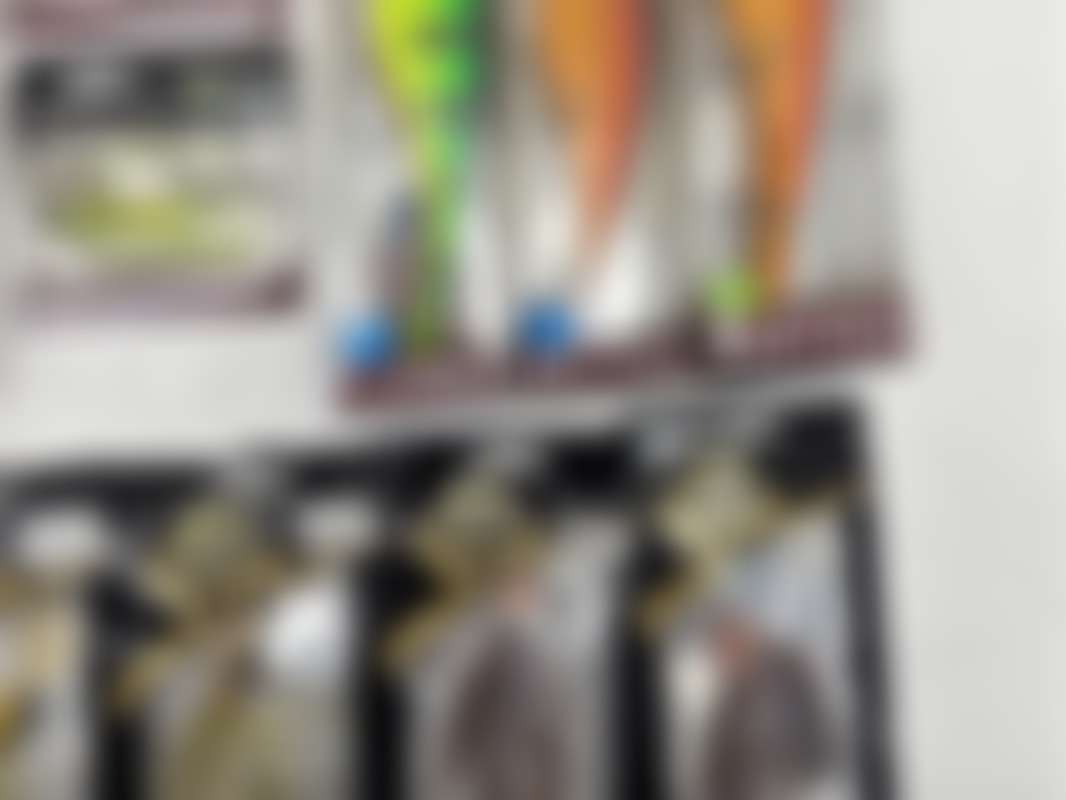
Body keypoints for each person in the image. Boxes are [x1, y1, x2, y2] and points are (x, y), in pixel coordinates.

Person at [444, 565, 569, 800]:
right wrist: (457, 759)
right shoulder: (488, 648)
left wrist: (557, 776)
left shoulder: (547, 653)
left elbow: (554, 723)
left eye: (527, 595)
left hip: (535, 770)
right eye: (514, 595)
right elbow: (468, 707)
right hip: (497, 769)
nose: (522, 603)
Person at [699, 611, 834, 800]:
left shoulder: (791, 673)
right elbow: (716, 765)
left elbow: (817, 732)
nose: (732, 657)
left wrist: (807, 777)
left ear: (752, 638)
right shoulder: (730, 702)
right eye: (725, 653)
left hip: (799, 787)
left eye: (736, 644)